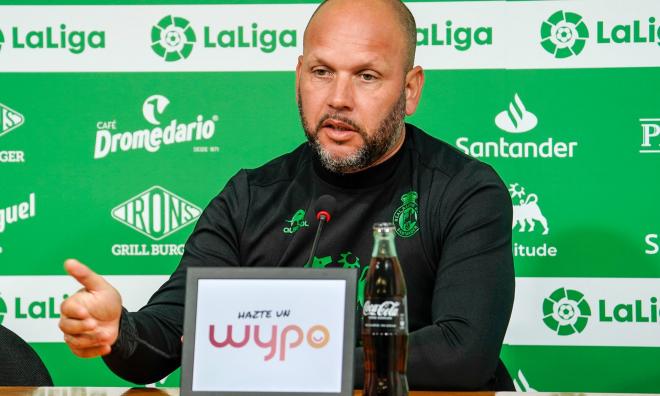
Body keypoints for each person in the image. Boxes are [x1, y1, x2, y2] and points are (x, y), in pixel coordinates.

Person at [59, 0, 515, 390]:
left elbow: (463, 350)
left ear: (410, 89)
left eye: (367, 77)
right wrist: (120, 332)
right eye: (322, 72)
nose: (339, 98)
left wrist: (285, 362)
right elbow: (170, 337)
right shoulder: (251, 197)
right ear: (299, 75)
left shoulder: (465, 191)